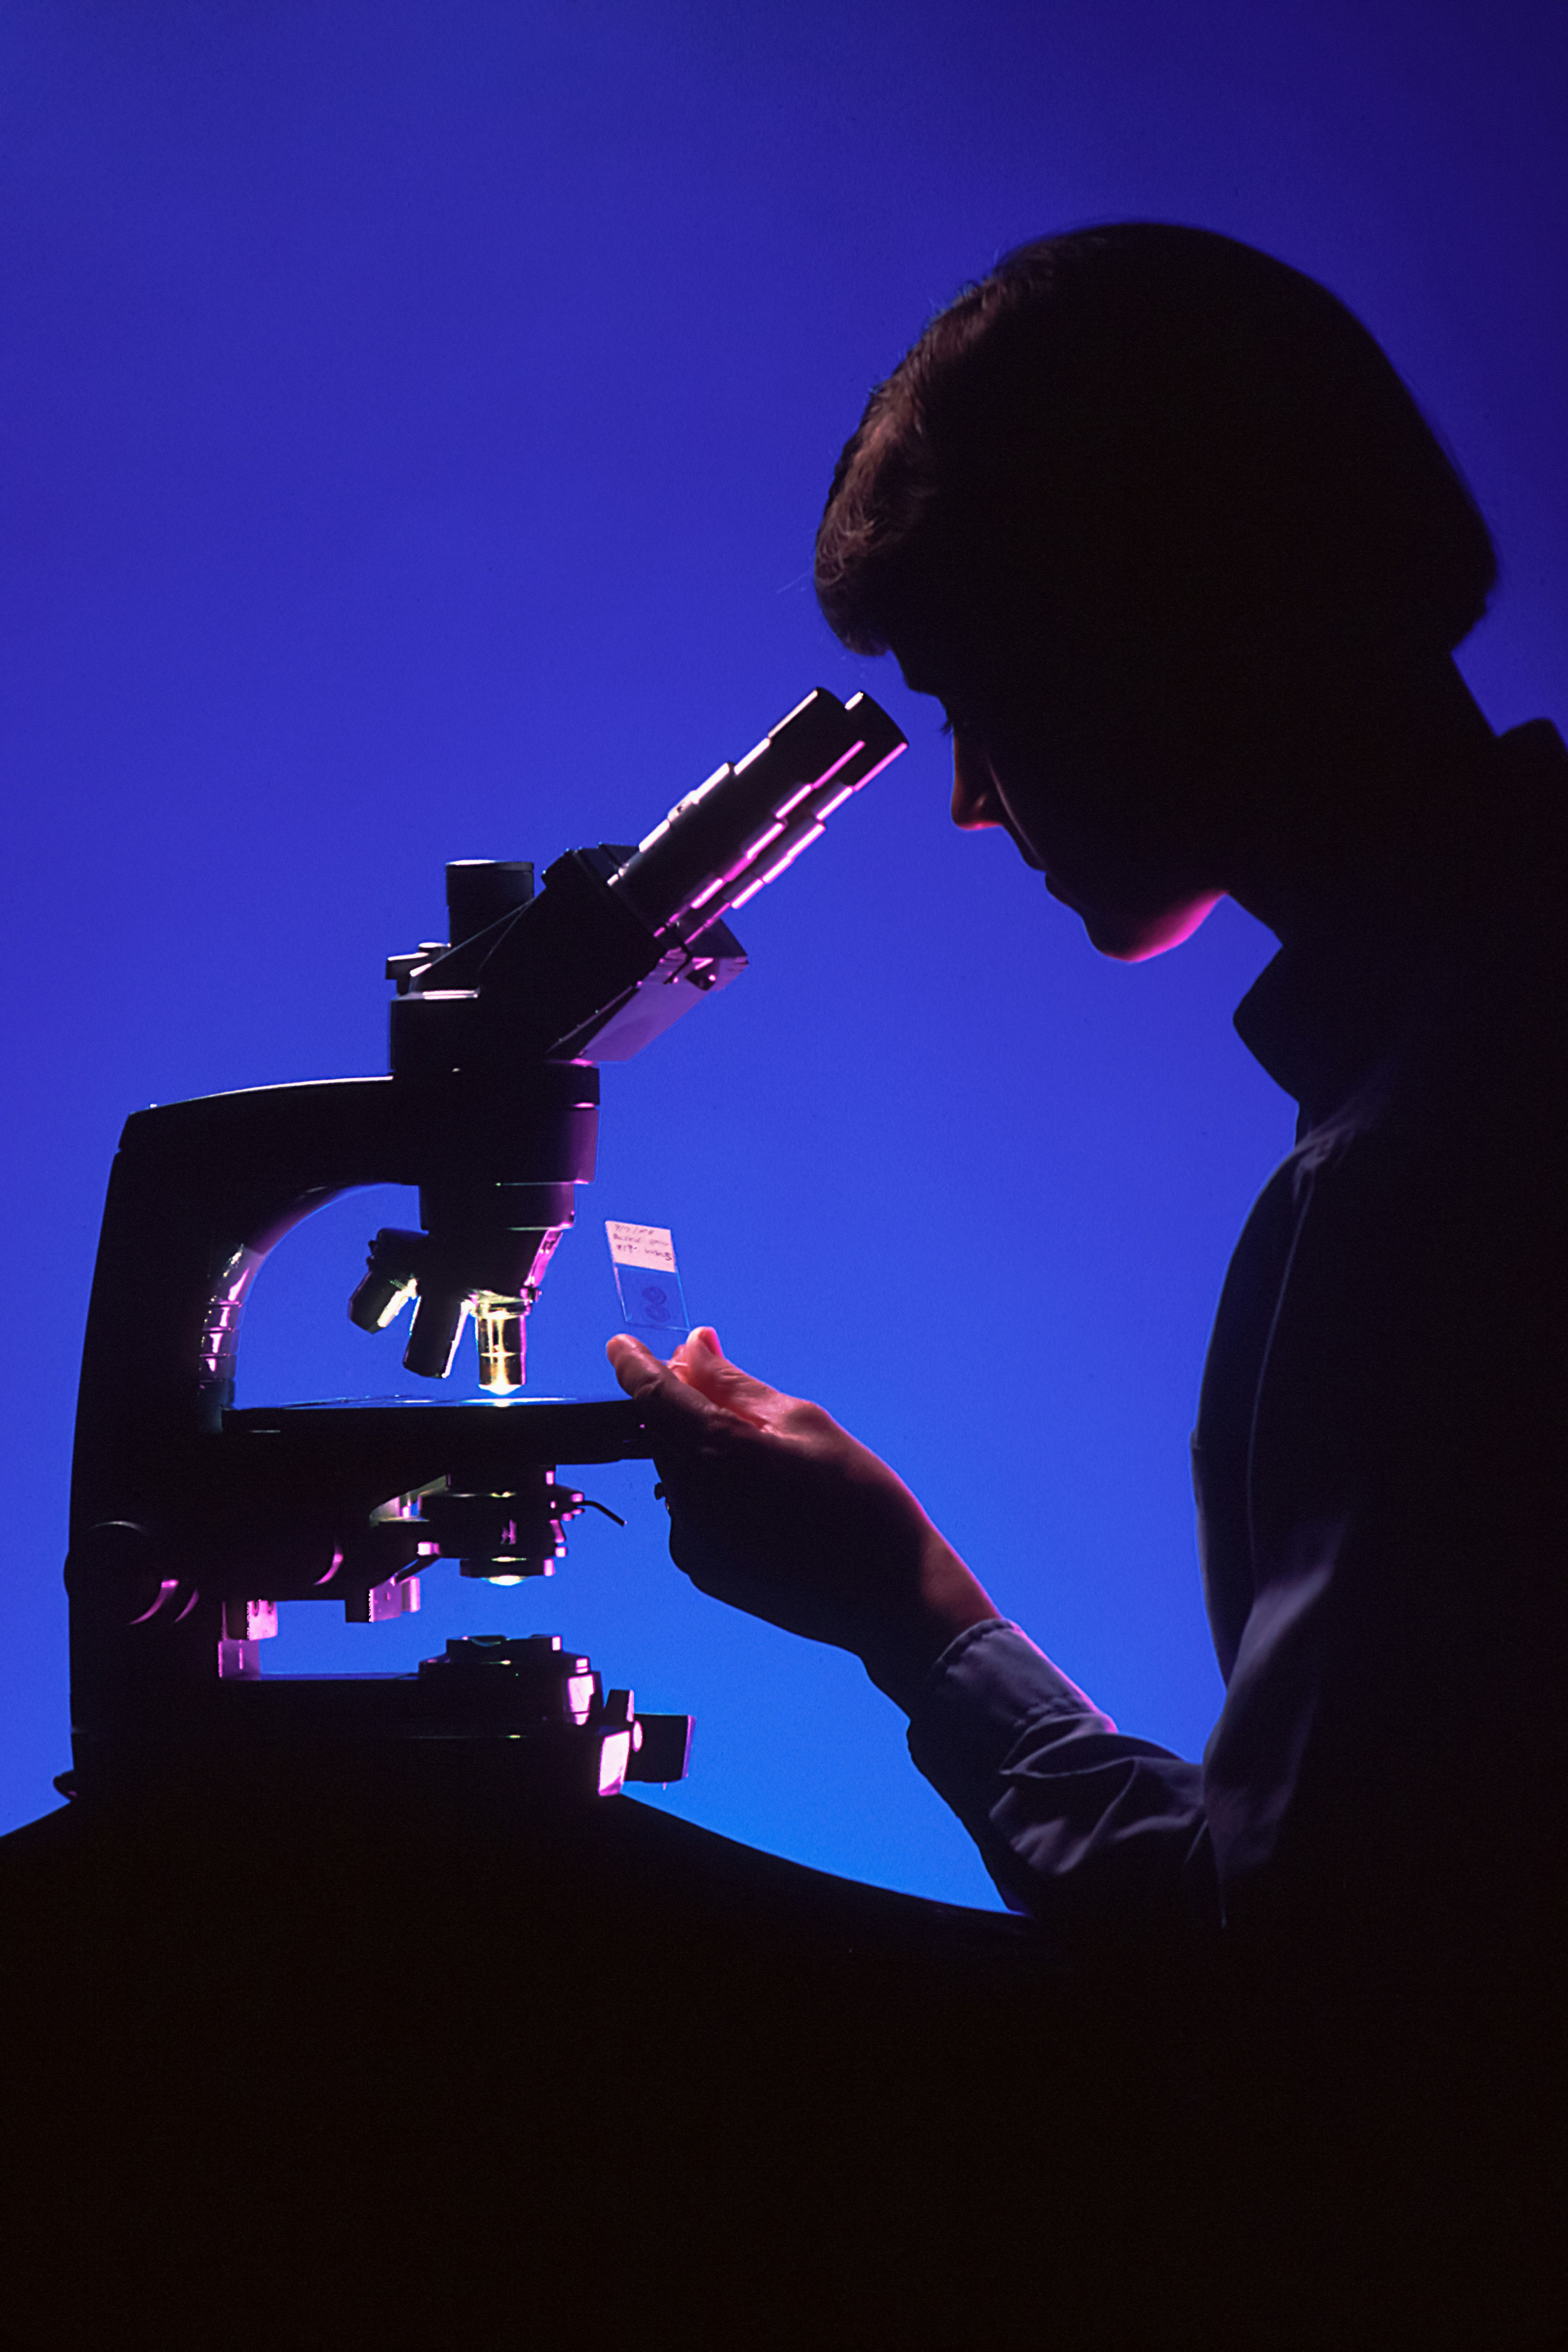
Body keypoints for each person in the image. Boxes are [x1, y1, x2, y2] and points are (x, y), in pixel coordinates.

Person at [609, 224, 1568, 2343]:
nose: (968, 800)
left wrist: (909, 1613)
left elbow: (1307, 1997)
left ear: (1162, 617)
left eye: (981, 697)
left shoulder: (1435, 1174)